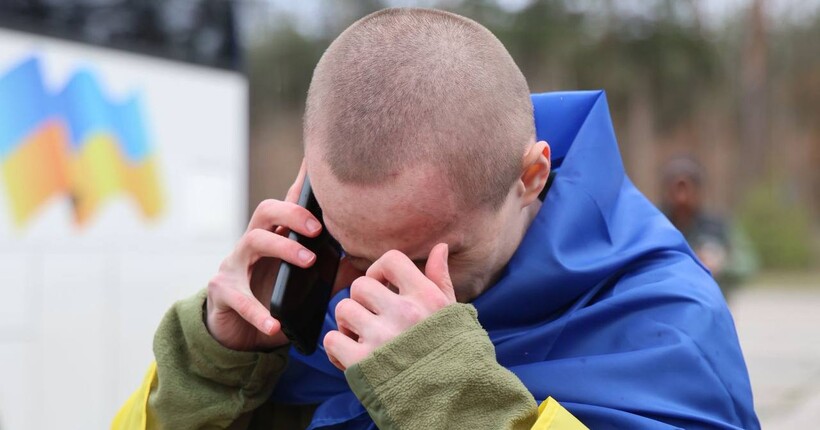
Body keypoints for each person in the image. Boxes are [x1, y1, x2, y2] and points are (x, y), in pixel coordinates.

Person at [113, 8, 759, 429]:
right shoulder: (296, 316)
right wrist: (209, 369)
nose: (370, 292)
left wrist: (454, 403)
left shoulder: (667, 325)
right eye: (344, 241)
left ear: (530, 177)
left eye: (425, 258)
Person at [662, 156, 758, 299]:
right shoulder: (658, 225)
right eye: (677, 189)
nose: (681, 198)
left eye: (687, 188)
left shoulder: (717, 225)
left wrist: (719, 263)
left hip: (709, 305)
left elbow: (747, 264)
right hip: (669, 306)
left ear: (698, 190)